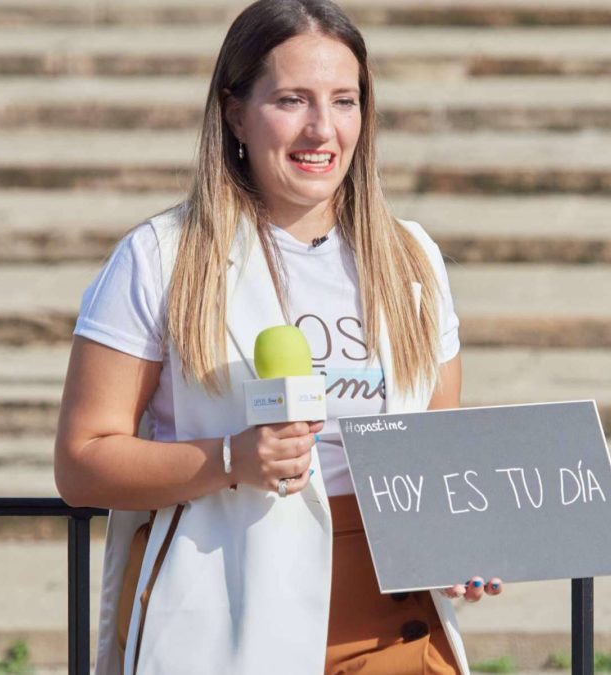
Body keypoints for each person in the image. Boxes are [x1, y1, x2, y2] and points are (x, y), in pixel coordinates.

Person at [54, 1, 504, 673]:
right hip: (229, 611)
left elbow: (436, 461)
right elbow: (82, 460)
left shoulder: (413, 258)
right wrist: (232, 459)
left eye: (344, 100)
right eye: (292, 100)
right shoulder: (161, 256)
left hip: (395, 624)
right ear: (235, 112)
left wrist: (460, 546)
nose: (322, 128)